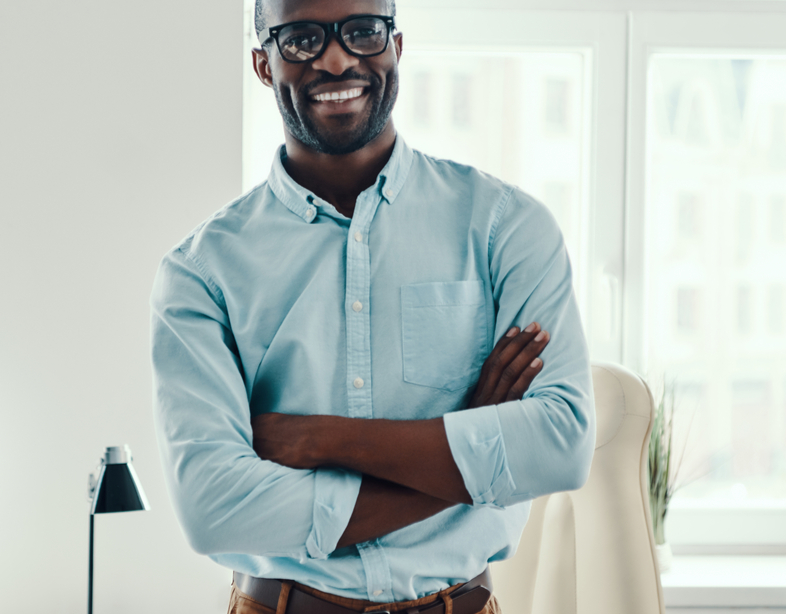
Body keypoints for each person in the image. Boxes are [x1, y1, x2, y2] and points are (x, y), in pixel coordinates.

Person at [149, 0, 594, 611]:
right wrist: (471, 451)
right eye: (302, 39)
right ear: (262, 64)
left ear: (397, 47)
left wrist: (325, 439)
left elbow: (562, 443)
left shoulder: (504, 228)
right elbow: (216, 509)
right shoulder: (200, 271)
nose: (336, 59)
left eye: (362, 31)